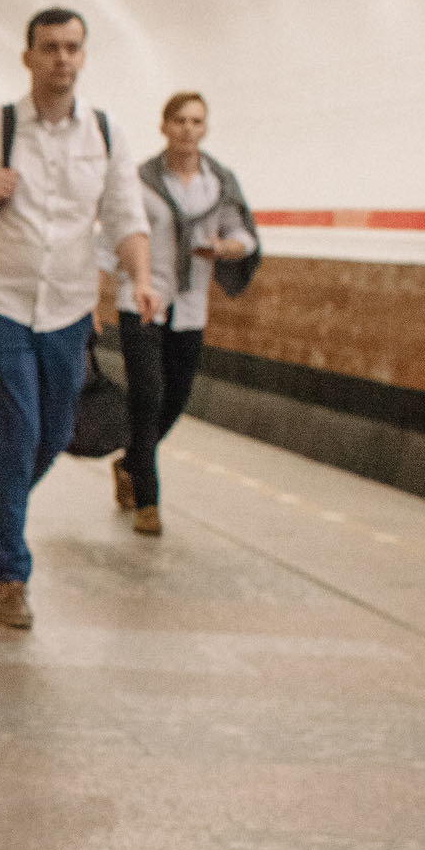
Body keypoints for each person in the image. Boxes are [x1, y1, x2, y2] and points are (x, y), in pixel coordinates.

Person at [0, 7, 159, 629]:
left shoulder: (106, 134)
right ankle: (8, 573)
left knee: (56, 431)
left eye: (73, 48)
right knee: (17, 427)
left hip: (68, 308)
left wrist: (139, 279)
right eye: (50, 47)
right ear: (27, 56)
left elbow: (124, 216)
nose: (62, 58)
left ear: (83, 57)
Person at [109, 90, 259, 534]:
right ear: (164, 126)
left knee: (175, 400)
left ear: (205, 128)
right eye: (179, 121)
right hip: (141, 301)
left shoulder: (220, 184)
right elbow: (113, 238)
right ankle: (148, 502)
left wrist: (227, 247)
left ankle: (129, 462)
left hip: (191, 305)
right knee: (147, 397)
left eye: (196, 122)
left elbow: (243, 235)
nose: (187, 130)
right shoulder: (139, 181)